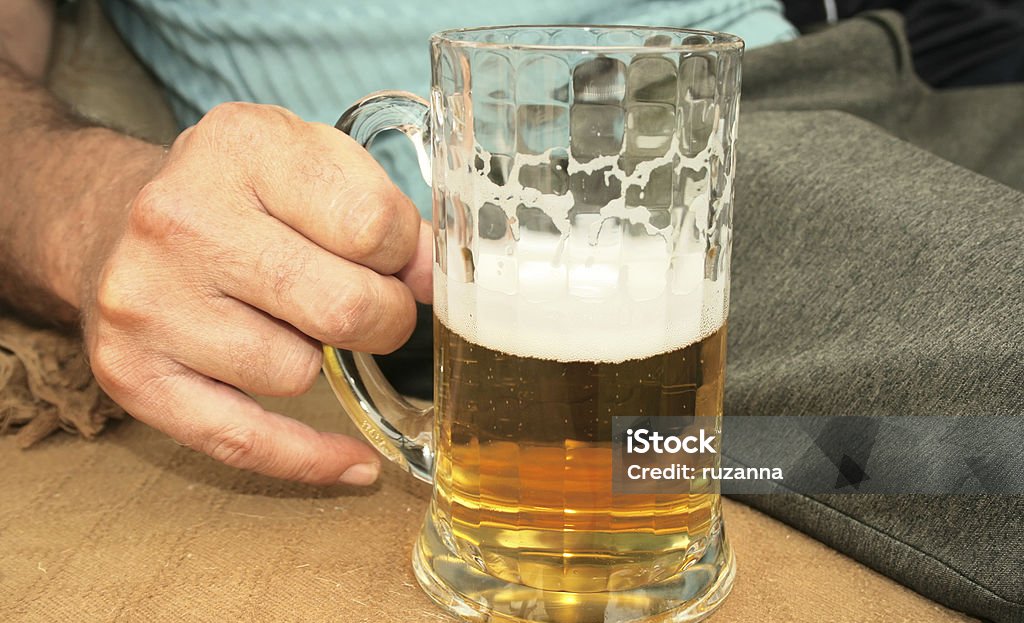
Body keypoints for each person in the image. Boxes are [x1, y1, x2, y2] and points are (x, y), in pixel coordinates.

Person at [0, 0, 796, 485]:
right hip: (459, 238)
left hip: (770, 97)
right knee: (907, 449)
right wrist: (93, 208)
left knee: (892, 438)